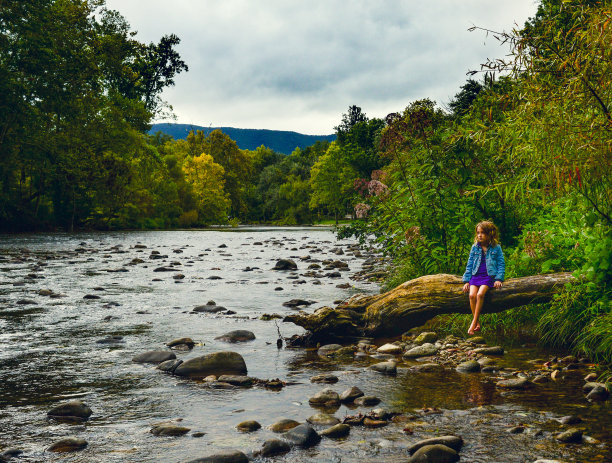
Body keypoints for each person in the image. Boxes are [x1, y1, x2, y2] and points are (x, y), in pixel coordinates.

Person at [462, 221, 505, 335]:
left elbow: (501, 264)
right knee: (471, 295)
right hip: (476, 275)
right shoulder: (475, 247)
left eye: (482, 233)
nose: (479, 235)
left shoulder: (496, 247)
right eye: (478, 233)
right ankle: (477, 322)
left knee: (480, 294)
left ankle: (473, 323)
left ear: (489, 234)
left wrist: (498, 279)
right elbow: (470, 264)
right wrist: (466, 280)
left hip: (488, 276)